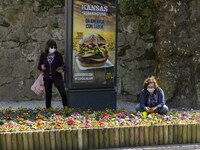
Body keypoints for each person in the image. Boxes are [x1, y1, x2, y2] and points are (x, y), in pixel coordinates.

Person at [38, 39, 68, 109]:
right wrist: (41, 67)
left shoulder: (58, 55)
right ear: (48, 47)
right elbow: (39, 66)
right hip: (47, 78)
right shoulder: (43, 55)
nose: (53, 49)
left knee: (63, 93)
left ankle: (66, 108)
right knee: (48, 95)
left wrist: (61, 69)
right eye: (51, 47)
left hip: (57, 77)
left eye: (54, 47)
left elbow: (63, 66)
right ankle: (48, 109)